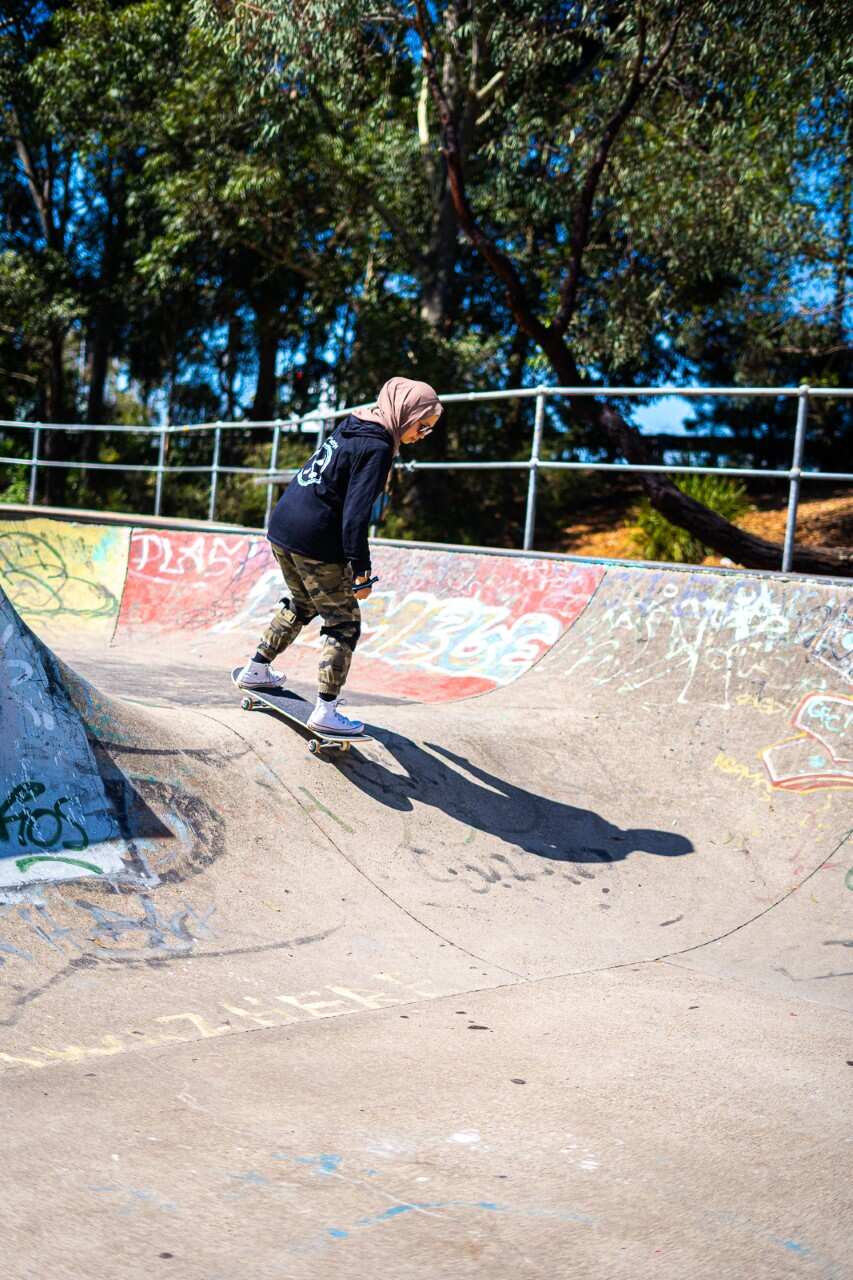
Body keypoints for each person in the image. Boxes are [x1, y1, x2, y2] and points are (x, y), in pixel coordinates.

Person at [236, 376, 443, 735]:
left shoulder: (355, 424)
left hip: (283, 526)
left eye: (429, 430)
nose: (422, 435)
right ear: (406, 413)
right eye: (422, 426)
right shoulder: (378, 446)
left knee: (303, 602)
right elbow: (355, 516)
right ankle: (326, 710)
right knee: (344, 622)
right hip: (314, 536)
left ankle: (256, 668)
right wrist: (361, 570)